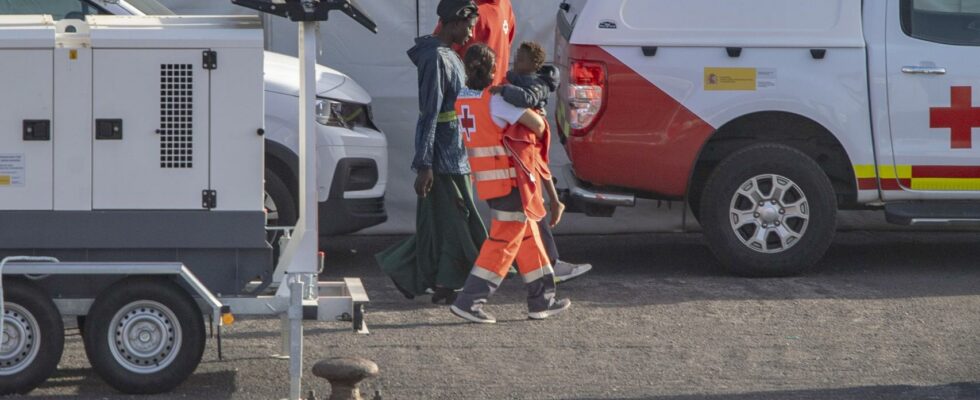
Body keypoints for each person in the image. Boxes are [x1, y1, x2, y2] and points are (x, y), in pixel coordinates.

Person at [439, 0, 592, 283]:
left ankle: (541, 269)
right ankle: (482, 280)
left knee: (519, 200)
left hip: (498, 109)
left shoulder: (505, 7)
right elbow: (446, 48)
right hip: (494, 112)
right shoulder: (469, 11)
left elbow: (503, 58)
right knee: (519, 198)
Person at [450, 44, 571, 324]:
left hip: (489, 183)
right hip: (510, 183)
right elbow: (538, 126)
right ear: (493, 70)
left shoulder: (463, 100)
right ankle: (470, 301)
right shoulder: (497, 100)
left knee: (528, 237)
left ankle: (542, 300)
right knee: (502, 243)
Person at [375, 0, 481, 305]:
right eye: (470, 26)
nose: (472, 33)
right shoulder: (436, 58)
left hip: (453, 154)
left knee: (446, 224)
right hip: (443, 159)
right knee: (457, 224)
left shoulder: (449, 55)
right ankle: (419, 274)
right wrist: (424, 164)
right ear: (455, 22)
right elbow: (430, 112)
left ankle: (444, 284)